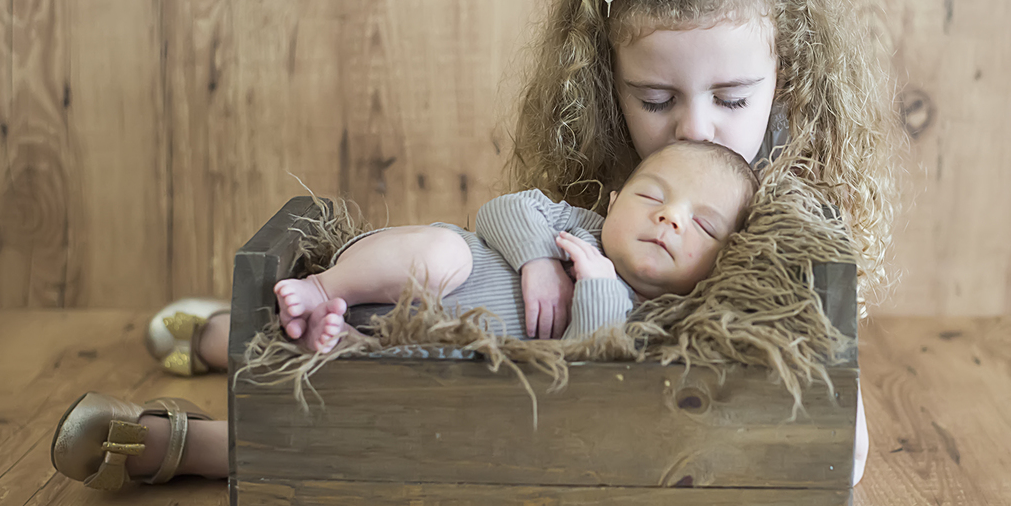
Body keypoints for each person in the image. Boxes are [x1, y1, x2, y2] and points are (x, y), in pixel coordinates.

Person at [51, 0, 896, 490]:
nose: (695, 131)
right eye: (657, 98)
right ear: (607, 83)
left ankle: (179, 440)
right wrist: (535, 257)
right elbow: (514, 229)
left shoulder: (783, 215)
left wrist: (831, 420)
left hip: (571, 424)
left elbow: (831, 413)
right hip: (472, 342)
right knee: (392, 312)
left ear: (786, 82)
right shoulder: (604, 175)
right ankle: (228, 334)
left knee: (382, 438)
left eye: (734, 99)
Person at [275, 141, 757, 355]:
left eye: (703, 226)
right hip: (405, 274)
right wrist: (540, 260)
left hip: (437, 349)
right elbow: (504, 209)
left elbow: (581, 366)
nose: (669, 216)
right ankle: (324, 288)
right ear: (614, 202)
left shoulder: (658, 325)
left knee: (428, 382)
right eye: (651, 195)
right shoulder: (581, 226)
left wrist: (600, 290)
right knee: (444, 254)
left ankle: (341, 342)